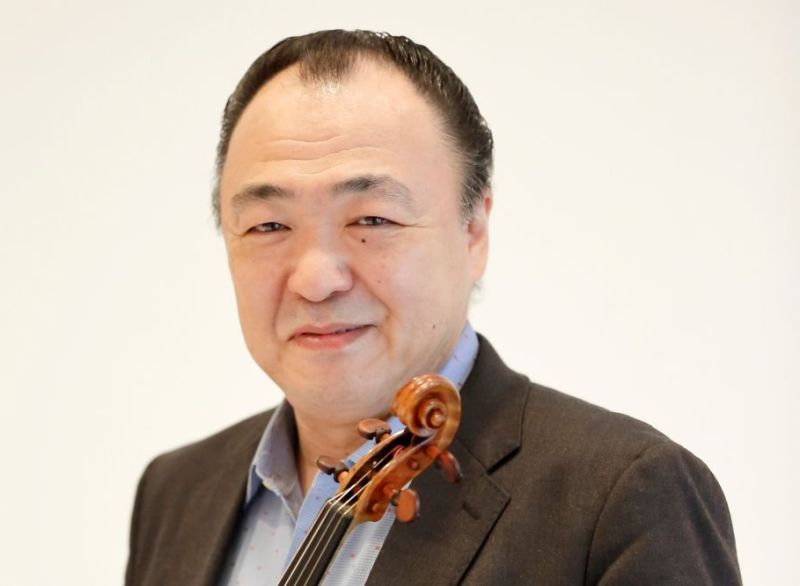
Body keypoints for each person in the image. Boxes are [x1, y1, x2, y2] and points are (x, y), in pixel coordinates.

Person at [126, 30, 741, 585]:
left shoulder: (622, 498)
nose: (315, 279)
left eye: (372, 219)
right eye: (268, 225)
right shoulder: (175, 492)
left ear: (473, 231)